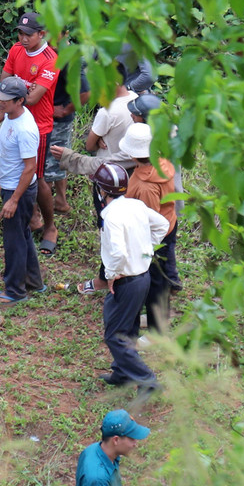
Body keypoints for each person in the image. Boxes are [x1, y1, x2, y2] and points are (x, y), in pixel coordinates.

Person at [0, 11, 61, 254]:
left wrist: (19, 86)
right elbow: (5, 87)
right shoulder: (15, 50)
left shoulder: (50, 60)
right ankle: (32, 219)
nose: (23, 38)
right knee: (14, 164)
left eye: (28, 34)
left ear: (42, 34)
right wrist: (21, 86)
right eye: (20, 33)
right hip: (13, 117)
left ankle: (50, 226)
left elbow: (31, 98)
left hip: (37, 127)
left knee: (37, 176)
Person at [92, 163, 169, 390]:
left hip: (125, 280)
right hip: (142, 277)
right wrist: (146, 248)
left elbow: (117, 253)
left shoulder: (111, 216)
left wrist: (111, 275)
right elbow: (163, 224)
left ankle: (148, 381)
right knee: (129, 328)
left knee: (115, 335)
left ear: (102, 191)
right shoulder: (136, 205)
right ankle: (122, 372)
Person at [0, 77, 45, 303]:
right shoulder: (10, 116)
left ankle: (15, 291)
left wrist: (13, 200)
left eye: (6, 100)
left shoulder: (25, 129)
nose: (1, 103)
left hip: (17, 191)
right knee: (22, 235)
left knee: (14, 241)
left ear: (20, 100)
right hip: (10, 184)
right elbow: (13, 157)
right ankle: (33, 281)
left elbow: (30, 168)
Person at [117, 124, 177, 330]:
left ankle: (157, 331)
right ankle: (155, 319)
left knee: (156, 283)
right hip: (168, 224)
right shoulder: (161, 165)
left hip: (155, 237)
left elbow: (149, 220)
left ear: (133, 155)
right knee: (158, 280)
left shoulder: (146, 186)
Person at [45, 55, 91, 215]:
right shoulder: (50, 54)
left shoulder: (68, 58)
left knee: (52, 162)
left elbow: (85, 93)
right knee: (58, 157)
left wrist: (65, 110)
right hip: (50, 116)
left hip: (57, 119)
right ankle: (60, 201)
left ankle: (52, 204)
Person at [74, 409, 150, 486]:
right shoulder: (98, 480)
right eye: (132, 438)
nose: (135, 443)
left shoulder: (92, 450)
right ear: (116, 440)